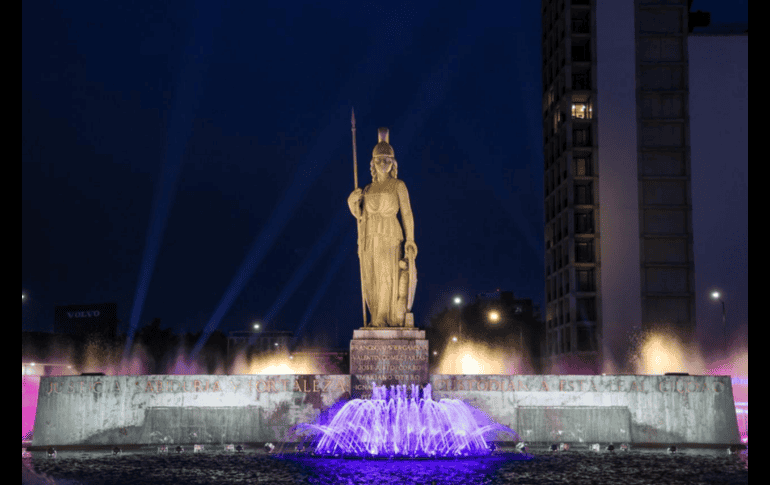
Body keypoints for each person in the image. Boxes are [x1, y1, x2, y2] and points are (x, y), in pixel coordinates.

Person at [348, 128, 417, 327]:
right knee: (372, 277)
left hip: (389, 234)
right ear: (373, 163)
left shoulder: (398, 185)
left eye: (387, 160)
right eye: (379, 160)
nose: (383, 163)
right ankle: (376, 315)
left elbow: (407, 214)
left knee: (386, 274)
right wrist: (351, 202)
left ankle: (383, 317)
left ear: (393, 163)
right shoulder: (368, 189)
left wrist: (410, 240)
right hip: (369, 235)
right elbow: (361, 216)